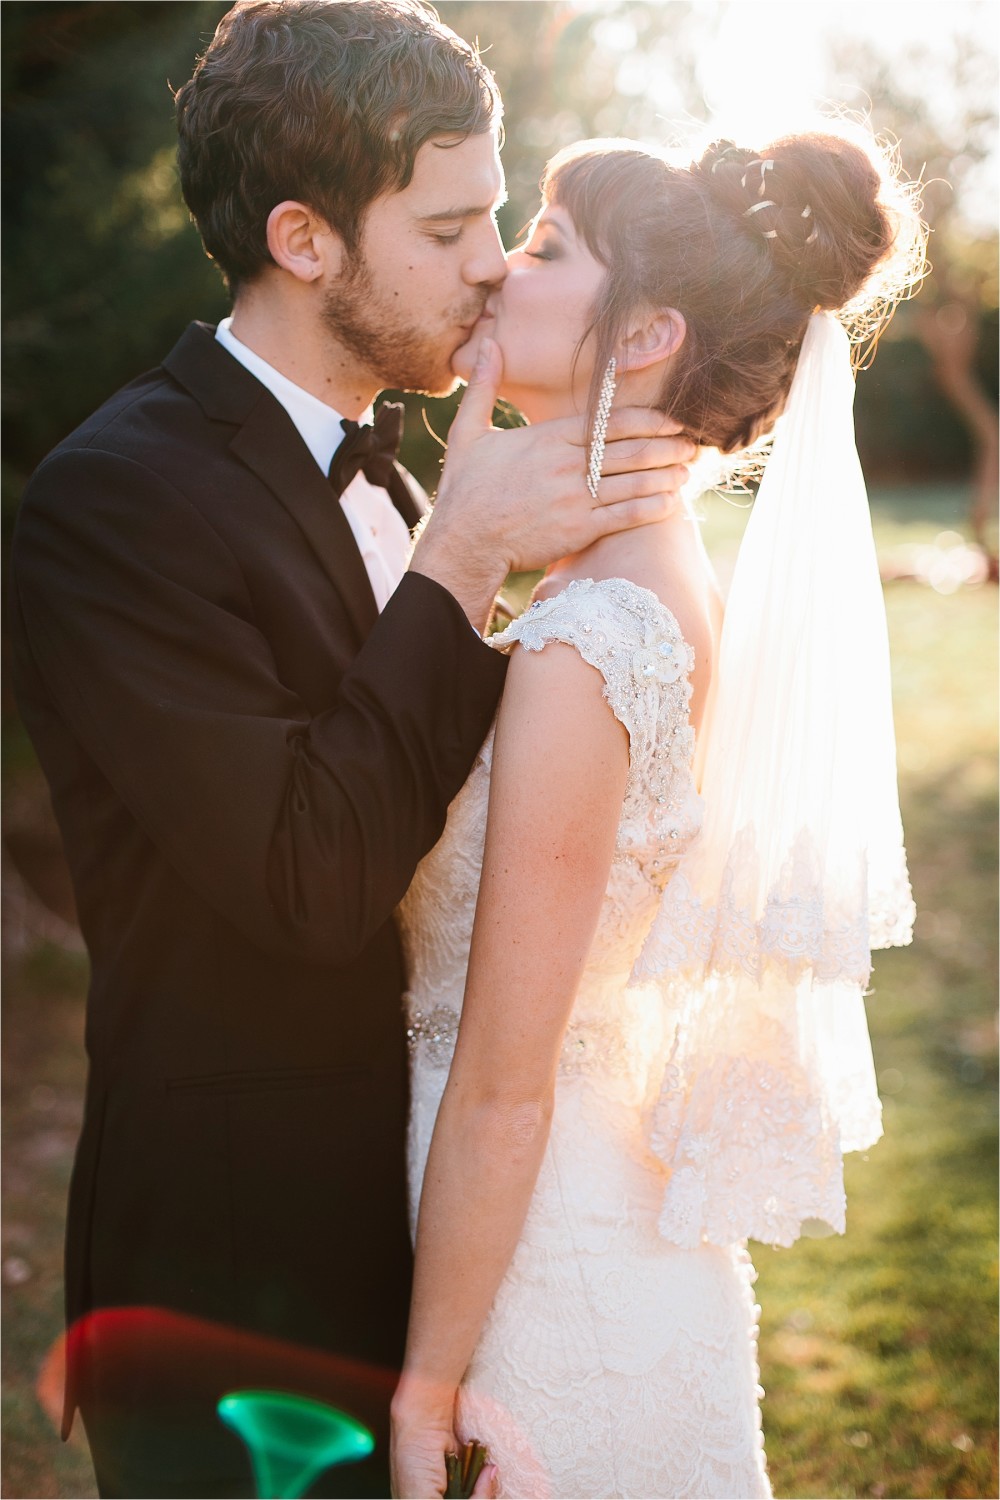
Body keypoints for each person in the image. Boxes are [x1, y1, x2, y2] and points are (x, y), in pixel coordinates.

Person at [8, 4, 695, 1495]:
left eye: (502, 217)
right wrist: (462, 560)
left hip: (447, 1250)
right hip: (240, 1289)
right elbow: (311, 881)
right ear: (305, 239)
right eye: (450, 227)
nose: (496, 262)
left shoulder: (409, 465)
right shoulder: (112, 503)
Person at [392, 130, 924, 1497]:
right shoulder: (647, 588)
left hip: (543, 1280)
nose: (503, 266)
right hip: (587, 1224)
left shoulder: (595, 641)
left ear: (650, 337)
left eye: (550, 246)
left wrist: (428, 1387)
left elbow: (506, 1085)